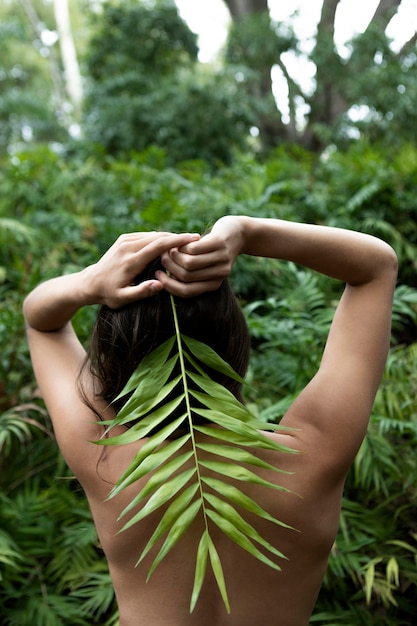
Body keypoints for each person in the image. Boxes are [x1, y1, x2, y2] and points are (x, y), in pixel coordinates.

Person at [23, 215, 397, 626]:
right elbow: (376, 266)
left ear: (118, 358)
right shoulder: (313, 453)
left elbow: (41, 318)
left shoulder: (106, 460)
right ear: (233, 343)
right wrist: (245, 232)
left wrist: (89, 282)